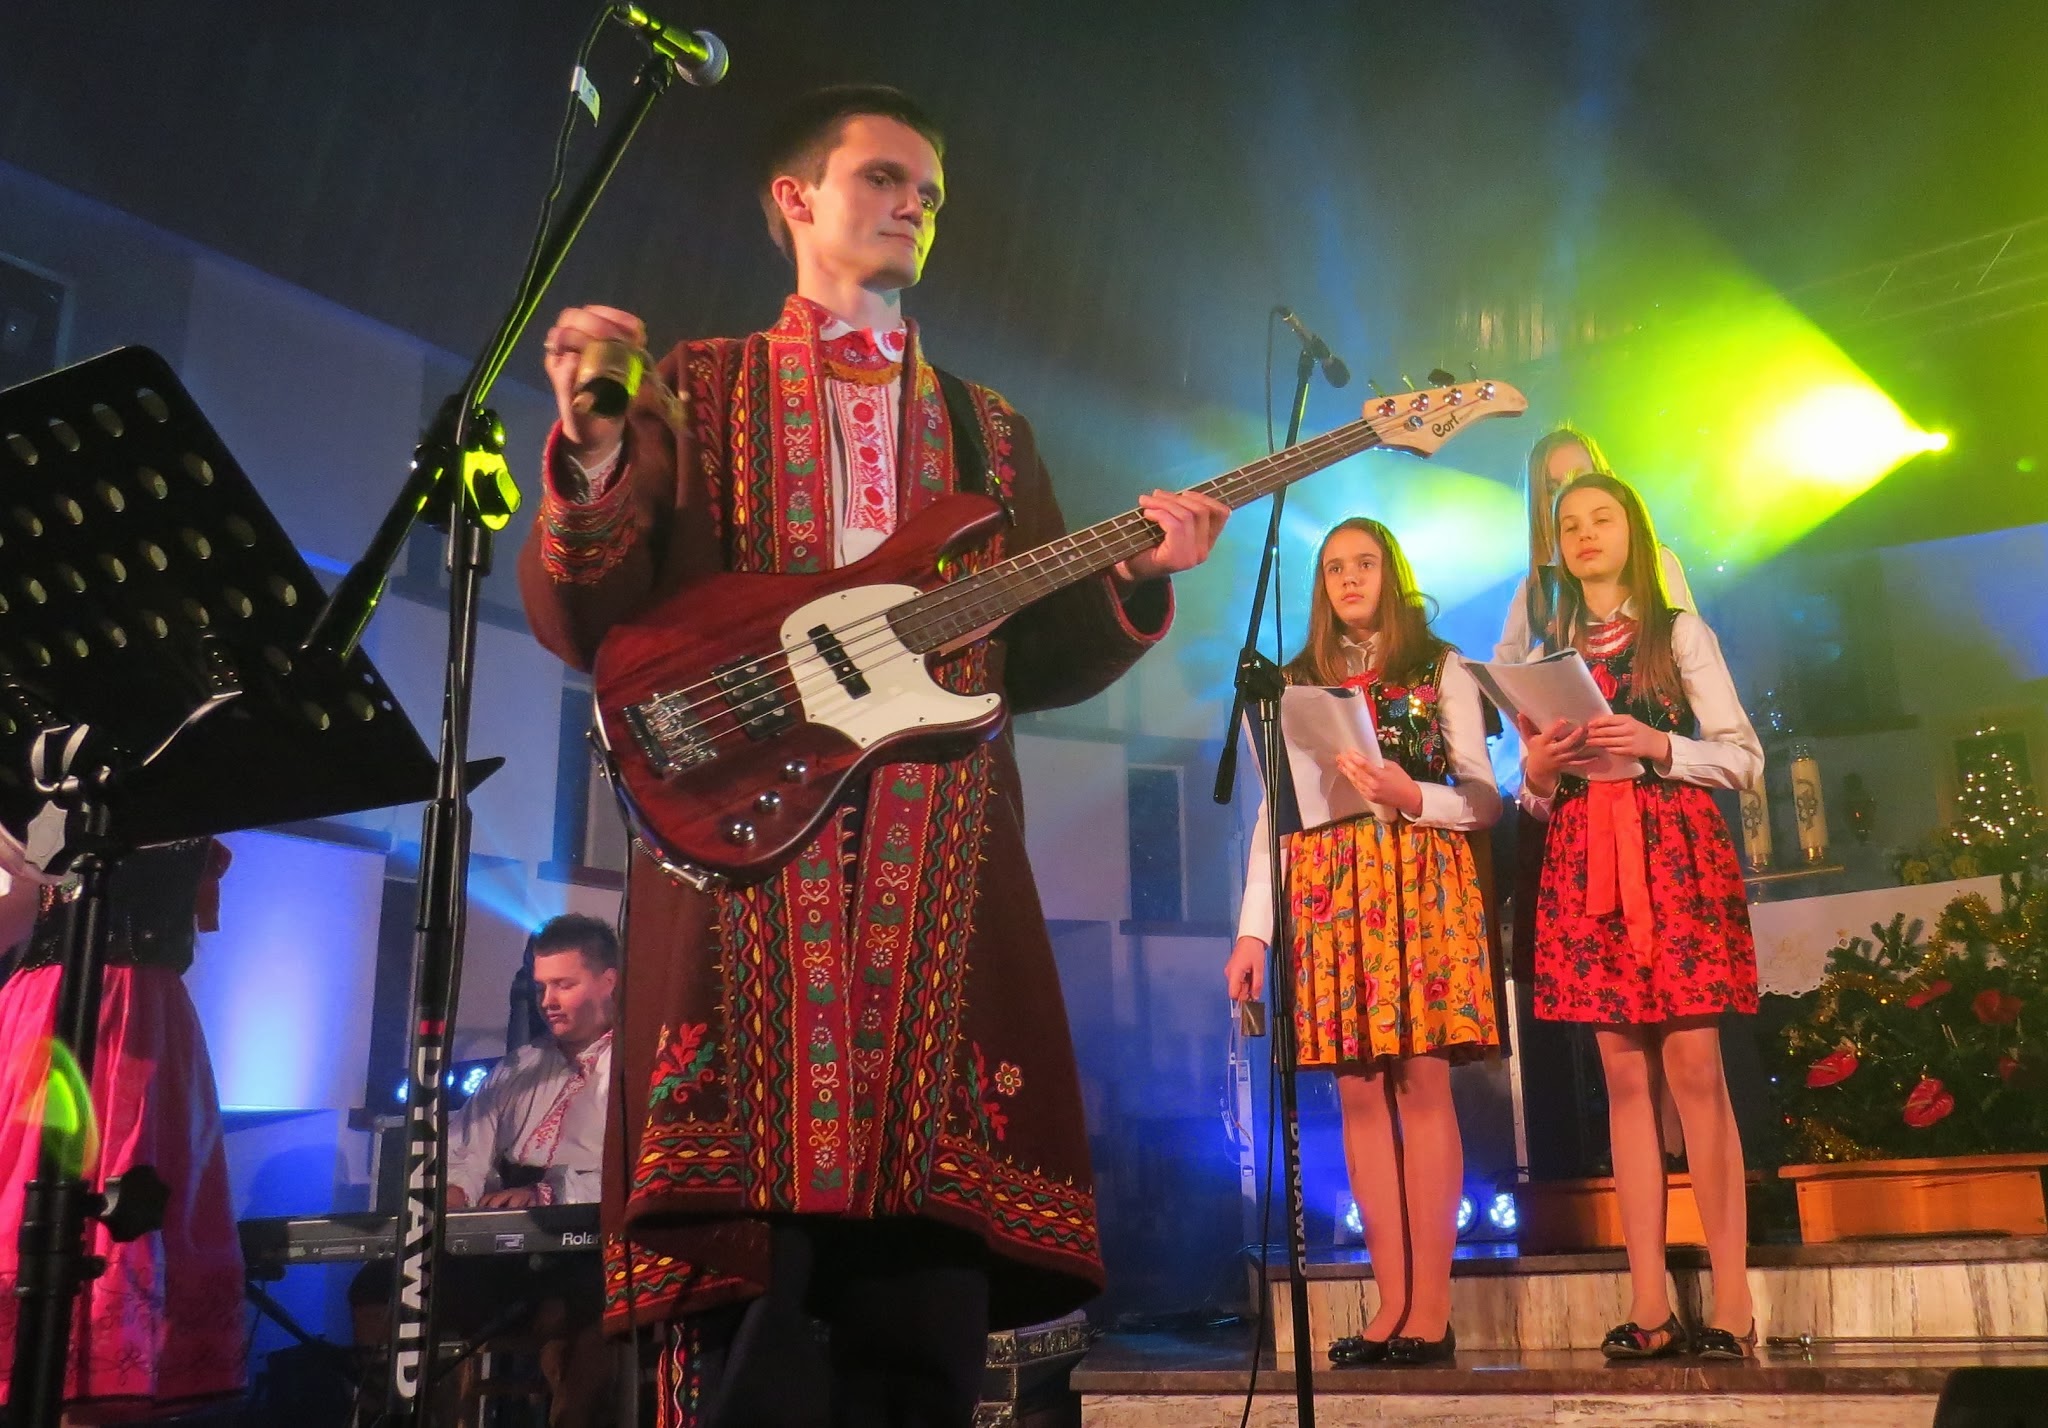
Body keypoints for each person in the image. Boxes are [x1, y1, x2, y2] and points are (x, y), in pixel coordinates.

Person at [519, 85, 1229, 1427]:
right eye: (885, 179)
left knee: (919, 1309)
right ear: (795, 198)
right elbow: (593, 615)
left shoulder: (988, 429)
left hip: (935, 870)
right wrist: (596, 451)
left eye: (931, 194)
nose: (916, 206)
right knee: (748, 1320)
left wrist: (1137, 575)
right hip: (745, 864)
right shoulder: (700, 389)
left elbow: (1039, 657)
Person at [1224, 519, 1500, 1368]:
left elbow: (1484, 800)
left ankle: (1432, 1309)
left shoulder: (1440, 666)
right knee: (1356, 1094)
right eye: (1335, 567)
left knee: (1421, 1083)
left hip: (1418, 878)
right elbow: (1276, 814)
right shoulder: (1294, 683)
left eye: (1365, 563)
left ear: (1393, 572)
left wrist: (1410, 793)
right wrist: (1252, 933)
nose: (1349, 579)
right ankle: (1390, 1301)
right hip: (1331, 893)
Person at [1517, 473, 1762, 1361]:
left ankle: (1732, 1300)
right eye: (1569, 525)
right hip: (1587, 853)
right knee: (1623, 1078)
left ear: (1634, 532)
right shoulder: (1547, 654)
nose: (1585, 534)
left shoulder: (1678, 631)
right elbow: (1534, 798)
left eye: (1602, 519)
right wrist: (1539, 772)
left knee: (1694, 1068)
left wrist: (1660, 745)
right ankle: (1650, 1300)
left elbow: (1743, 758)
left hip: (1674, 851)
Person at [0, 831, 246, 1422]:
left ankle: (102, 1370)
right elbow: (19, 912)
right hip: (60, 1007)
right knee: (37, 1195)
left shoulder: (200, 802)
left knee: (126, 1202)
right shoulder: (48, 801)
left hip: (136, 1016)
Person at [351, 912, 621, 1427]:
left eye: (564, 985)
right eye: (541, 986)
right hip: (504, 1250)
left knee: (586, 1312)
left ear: (608, 981)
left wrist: (547, 1195)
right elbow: (466, 1151)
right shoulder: (518, 1067)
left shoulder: (637, 1067)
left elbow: (632, 1172)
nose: (548, 1000)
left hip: (588, 1247)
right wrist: (453, 1193)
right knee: (381, 1286)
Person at [1494, 426, 1694, 663]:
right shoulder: (1537, 586)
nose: (1567, 493)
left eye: (1579, 478)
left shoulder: (1656, 562)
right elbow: (1504, 665)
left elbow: (1688, 651)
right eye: (1553, 488)